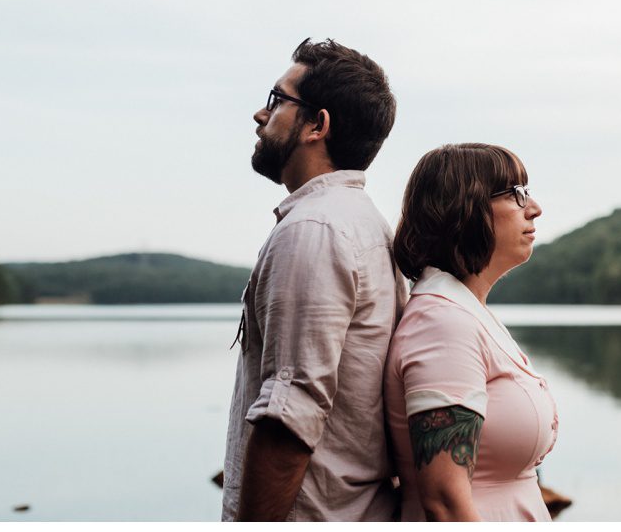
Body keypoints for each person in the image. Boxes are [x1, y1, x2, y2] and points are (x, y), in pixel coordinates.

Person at [222, 38, 407, 522]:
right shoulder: (360, 222)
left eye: (277, 100)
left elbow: (289, 416)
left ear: (317, 126)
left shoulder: (314, 230)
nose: (261, 117)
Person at [383, 143, 558, 521]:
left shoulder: (465, 313)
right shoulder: (441, 325)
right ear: (465, 210)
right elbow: (445, 502)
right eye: (516, 194)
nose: (534, 207)